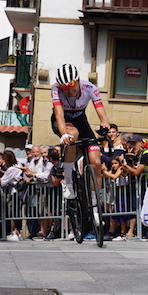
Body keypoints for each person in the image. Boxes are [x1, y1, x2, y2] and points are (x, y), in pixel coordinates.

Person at [50, 63, 110, 201]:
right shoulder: (56, 88)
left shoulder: (89, 88)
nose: (70, 91)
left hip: (80, 120)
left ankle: (95, 202)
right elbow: (59, 115)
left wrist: (104, 123)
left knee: (96, 163)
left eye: (72, 86)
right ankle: (68, 181)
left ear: (77, 80)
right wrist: (64, 134)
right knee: (73, 134)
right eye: (65, 89)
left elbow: (101, 112)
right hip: (63, 121)